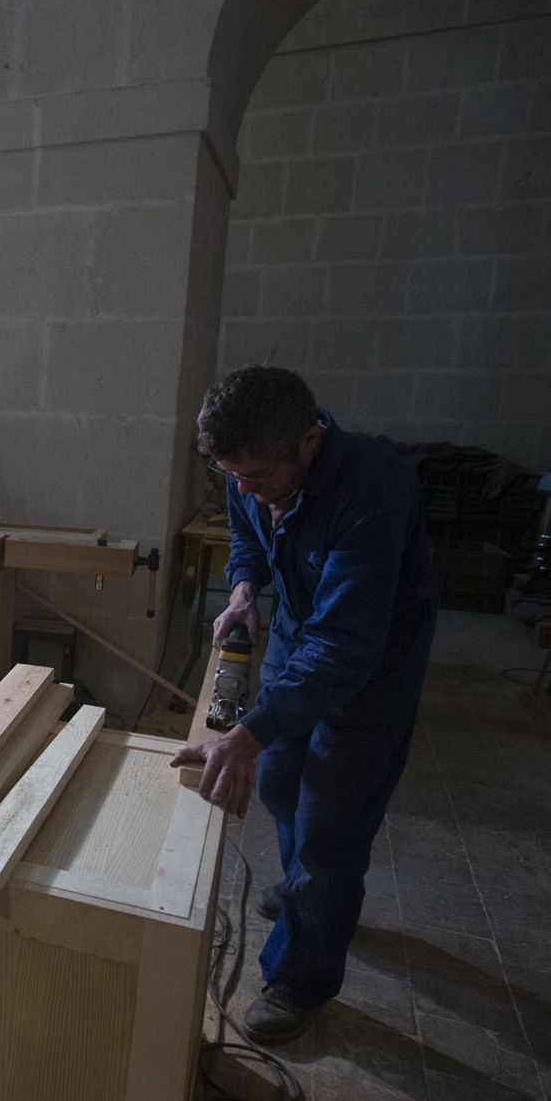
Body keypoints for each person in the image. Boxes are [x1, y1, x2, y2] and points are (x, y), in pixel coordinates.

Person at [172, 366, 436, 1044]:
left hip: (369, 663)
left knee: (329, 826)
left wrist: (249, 732)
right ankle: (307, 900)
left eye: (256, 476)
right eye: (233, 476)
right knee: (285, 782)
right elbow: (245, 537)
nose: (244, 488)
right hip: (296, 631)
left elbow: (347, 645)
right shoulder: (248, 472)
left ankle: (302, 976)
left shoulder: (372, 488)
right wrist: (241, 588)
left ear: (310, 442)